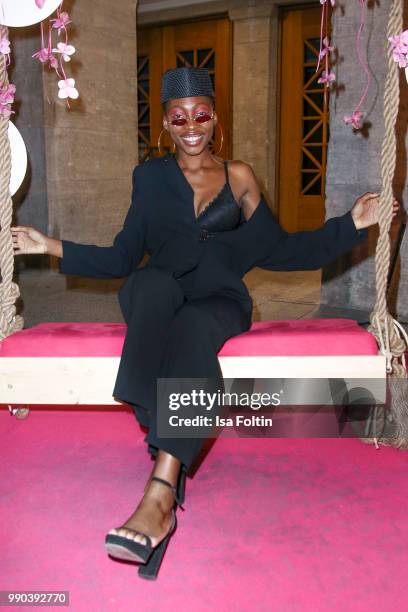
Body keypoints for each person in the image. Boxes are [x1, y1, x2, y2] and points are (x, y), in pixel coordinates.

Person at [11, 67, 399, 580]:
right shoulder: (148, 178)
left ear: (214, 118)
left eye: (200, 115)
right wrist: (49, 246)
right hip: (160, 292)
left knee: (194, 326)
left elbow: (281, 250)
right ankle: (166, 431)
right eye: (178, 118)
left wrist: (351, 223)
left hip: (219, 300)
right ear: (166, 126)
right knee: (149, 285)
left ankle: (161, 492)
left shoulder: (239, 178)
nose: (190, 126)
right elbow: (125, 255)